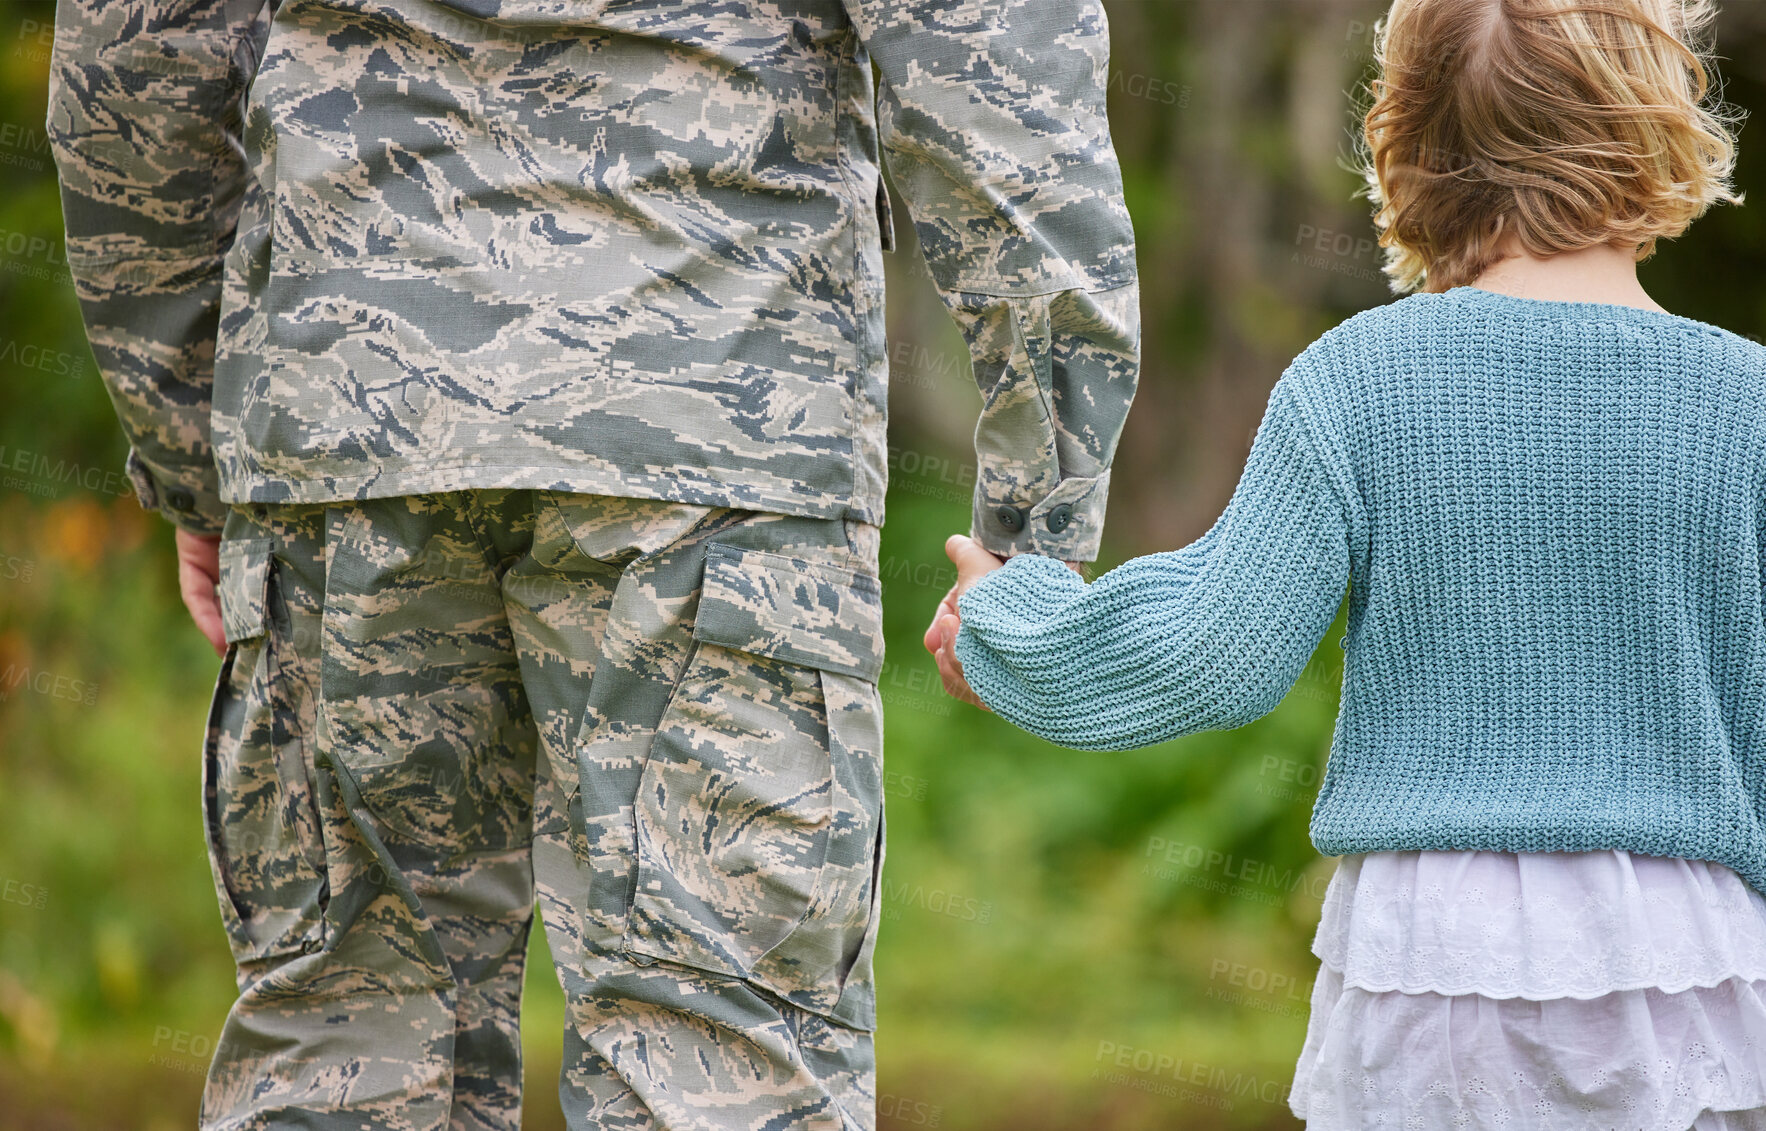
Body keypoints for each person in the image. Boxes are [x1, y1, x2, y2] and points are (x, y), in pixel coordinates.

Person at [45, 0, 1140, 1127]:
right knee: (713, 1048)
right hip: (715, 416)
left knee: (349, 1046)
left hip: (354, 408)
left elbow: (133, 55)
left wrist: (194, 448)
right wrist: (1034, 521)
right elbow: (997, 62)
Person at [930, 0, 1766, 1126]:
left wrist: (1015, 619)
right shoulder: (1745, 401)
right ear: (1655, 115)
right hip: (1691, 961)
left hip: (1435, 961)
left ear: (1407, 134)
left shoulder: (1357, 379)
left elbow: (1212, 649)